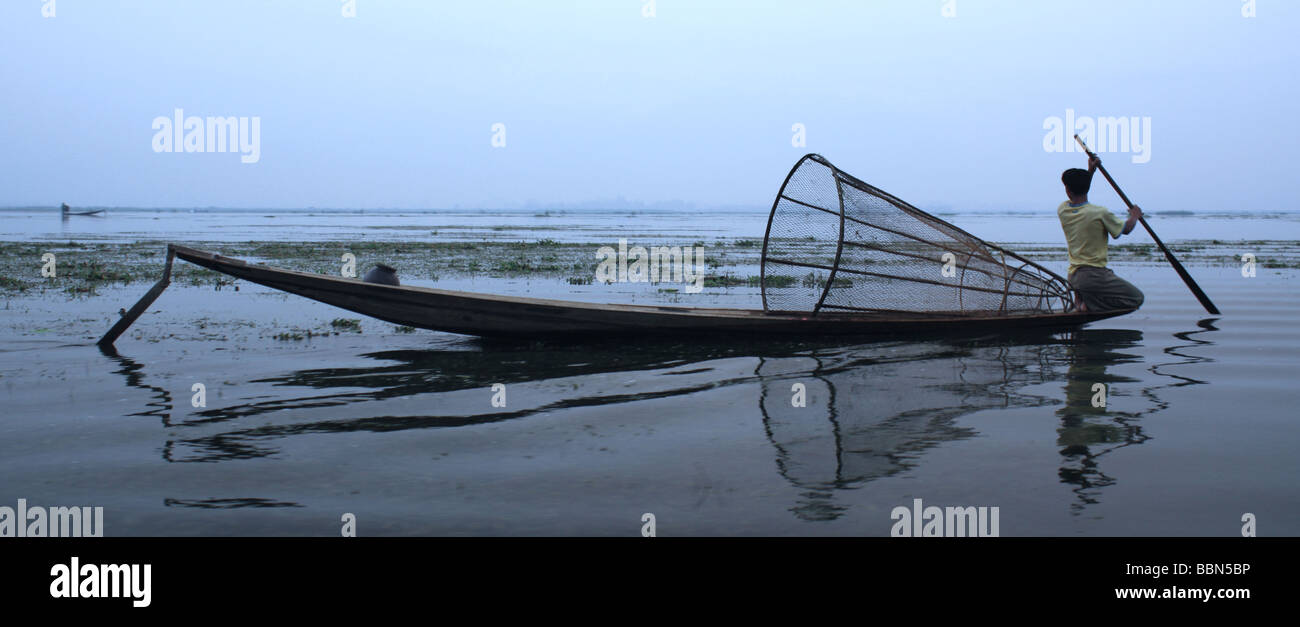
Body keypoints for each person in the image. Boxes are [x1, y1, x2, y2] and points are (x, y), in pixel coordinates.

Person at [1057, 156, 1144, 312]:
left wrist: (1090, 170)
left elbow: (1080, 189)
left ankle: (1082, 303)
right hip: (1094, 276)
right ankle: (1088, 305)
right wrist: (1135, 216)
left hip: (1074, 276)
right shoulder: (1099, 213)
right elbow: (1125, 229)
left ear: (1067, 190)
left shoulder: (1063, 210)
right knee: (1137, 298)